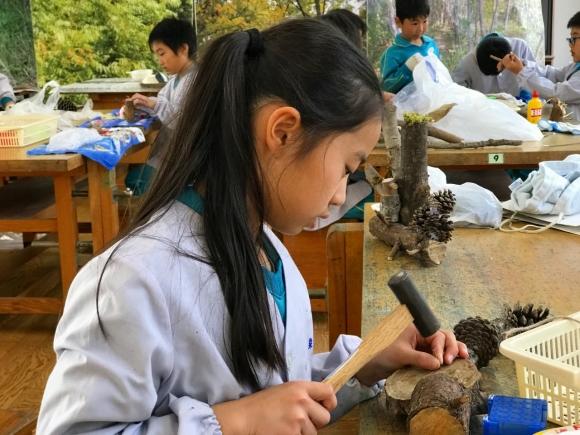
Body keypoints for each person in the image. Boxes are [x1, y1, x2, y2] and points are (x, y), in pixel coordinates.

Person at [37, 19, 467, 434]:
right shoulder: (131, 281)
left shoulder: (267, 247)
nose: (340, 195)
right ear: (282, 132)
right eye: (345, 168)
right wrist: (237, 422)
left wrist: (365, 364)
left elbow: (273, 389)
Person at [124, 17, 198, 195]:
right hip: (172, 158)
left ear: (183, 49)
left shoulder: (196, 80)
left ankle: (174, 200)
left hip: (186, 162)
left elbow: (184, 121)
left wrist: (154, 104)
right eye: (157, 55)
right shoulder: (176, 78)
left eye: (162, 53)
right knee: (133, 178)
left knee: (136, 180)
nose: (159, 60)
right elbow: (163, 103)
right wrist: (143, 104)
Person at [500, 11, 580, 122]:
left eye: (575, 38)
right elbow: (549, 74)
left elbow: (556, 93)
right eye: (570, 38)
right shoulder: (576, 66)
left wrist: (521, 72)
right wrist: (522, 64)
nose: (570, 44)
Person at [379, 0, 440, 94]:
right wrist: (406, 69)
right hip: (407, 107)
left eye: (424, 21)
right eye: (414, 23)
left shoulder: (430, 43)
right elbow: (386, 89)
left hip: (433, 102)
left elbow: (438, 72)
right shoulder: (392, 54)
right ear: (398, 22)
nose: (420, 28)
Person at [453, 33, 537, 96]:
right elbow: (457, 93)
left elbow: (535, 77)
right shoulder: (467, 63)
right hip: (487, 111)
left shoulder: (521, 47)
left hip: (520, 106)